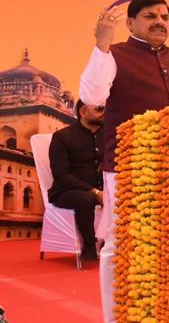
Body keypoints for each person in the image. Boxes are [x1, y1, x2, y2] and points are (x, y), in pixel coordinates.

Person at [79, 0, 169, 323]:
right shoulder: (113, 55)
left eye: (165, 17)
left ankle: (167, 310)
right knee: (120, 243)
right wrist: (102, 44)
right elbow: (92, 96)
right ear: (130, 23)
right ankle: (115, 317)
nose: (160, 22)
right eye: (150, 16)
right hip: (127, 167)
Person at [48, 99, 104, 260]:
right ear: (83, 112)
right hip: (67, 192)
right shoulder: (62, 137)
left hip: (102, 189)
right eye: (99, 109)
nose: (103, 113)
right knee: (85, 199)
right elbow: (61, 175)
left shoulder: (109, 135)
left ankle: (113, 243)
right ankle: (89, 245)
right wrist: (94, 192)